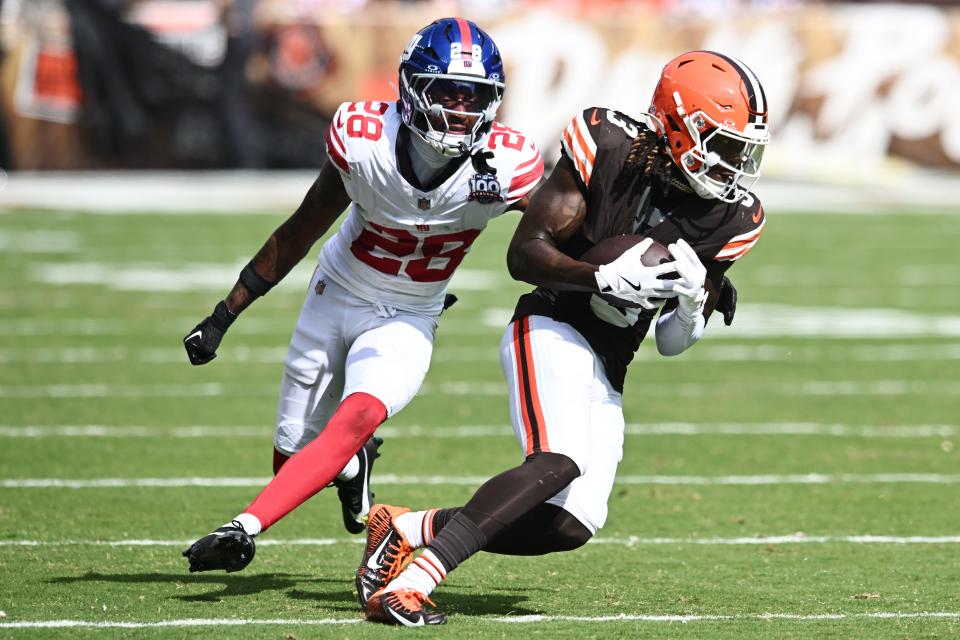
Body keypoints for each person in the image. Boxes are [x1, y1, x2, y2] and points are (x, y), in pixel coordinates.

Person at [357, 50, 769, 626]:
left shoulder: (733, 217)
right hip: (550, 324)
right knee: (558, 461)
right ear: (676, 124)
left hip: (611, 363)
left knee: (571, 525)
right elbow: (523, 255)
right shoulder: (608, 146)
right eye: (721, 145)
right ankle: (411, 585)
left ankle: (405, 527)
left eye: (740, 149)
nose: (732, 165)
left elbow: (672, 344)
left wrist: (693, 303)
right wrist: (599, 275)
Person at [181, 17, 543, 572]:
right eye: (446, 91)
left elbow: (561, 229)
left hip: (411, 313)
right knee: (292, 461)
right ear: (411, 87)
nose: (460, 109)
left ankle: (243, 525)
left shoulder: (508, 164)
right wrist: (223, 314)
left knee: (359, 415)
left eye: (474, 97)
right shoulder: (364, 139)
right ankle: (352, 469)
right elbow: (301, 228)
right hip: (338, 291)